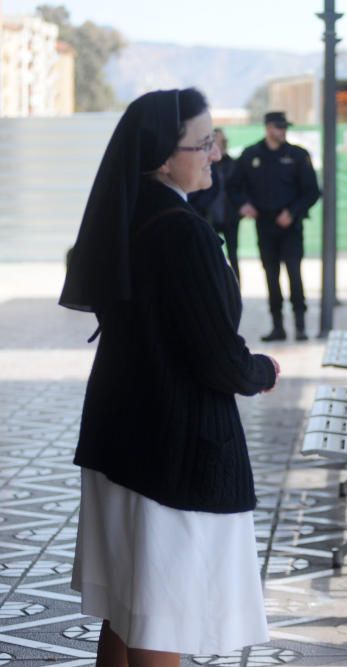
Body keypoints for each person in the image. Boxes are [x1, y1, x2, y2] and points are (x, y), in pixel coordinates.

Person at [59, 88, 280, 667]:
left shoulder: (129, 214)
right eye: (203, 143)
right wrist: (264, 370)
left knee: (128, 607)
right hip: (173, 449)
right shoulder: (182, 231)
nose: (215, 154)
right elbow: (219, 359)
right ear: (163, 156)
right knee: (164, 611)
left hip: (120, 435)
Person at [229, 111, 321, 341]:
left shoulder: (298, 155)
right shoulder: (251, 155)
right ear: (268, 128)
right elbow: (233, 186)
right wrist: (244, 206)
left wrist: (293, 213)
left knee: (294, 274)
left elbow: (311, 191)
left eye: (284, 128)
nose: (282, 131)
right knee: (271, 275)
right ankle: (277, 326)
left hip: (290, 225)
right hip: (265, 224)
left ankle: (300, 326)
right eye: (278, 127)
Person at [189, 128, 241, 282]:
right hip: (208, 216)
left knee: (233, 256)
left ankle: (236, 289)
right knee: (210, 255)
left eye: (222, 141)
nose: (220, 144)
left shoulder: (233, 164)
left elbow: (239, 189)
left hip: (229, 218)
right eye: (216, 140)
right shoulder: (204, 165)